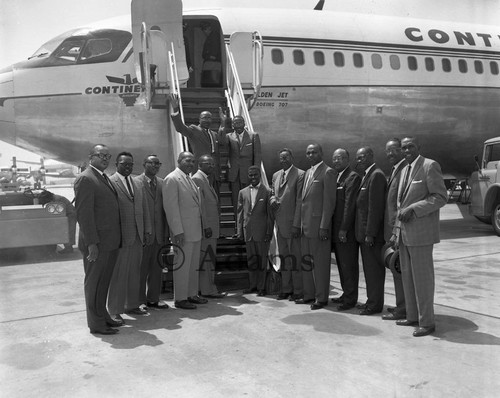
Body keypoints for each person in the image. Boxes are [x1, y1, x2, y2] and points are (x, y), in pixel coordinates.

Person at [394, 136, 447, 337]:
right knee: (408, 278)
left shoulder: (429, 166)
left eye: (410, 147)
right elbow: (401, 204)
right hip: (405, 234)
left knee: (423, 280)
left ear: (419, 147)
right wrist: (396, 231)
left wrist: (414, 209)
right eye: (404, 147)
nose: (406, 150)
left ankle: (427, 322)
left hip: (421, 234)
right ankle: (412, 316)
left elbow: (440, 197)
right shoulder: (404, 169)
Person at [74, 144, 121, 335]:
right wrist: (92, 243)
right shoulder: (85, 178)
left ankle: (103, 316)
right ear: (91, 156)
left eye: (108, 156)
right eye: (101, 155)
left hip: (109, 242)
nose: (105, 159)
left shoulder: (103, 177)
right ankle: (96, 324)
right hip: (97, 244)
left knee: (103, 283)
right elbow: (84, 215)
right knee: (94, 284)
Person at [108, 152, 152, 321]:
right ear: (117, 164)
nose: (128, 167)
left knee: (135, 273)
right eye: (124, 164)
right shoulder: (111, 182)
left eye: (130, 164)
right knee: (119, 275)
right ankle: (114, 309)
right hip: (122, 237)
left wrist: (147, 230)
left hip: (138, 236)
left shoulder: (137, 183)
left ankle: (132, 305)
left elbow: (145, 209)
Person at [163, 152, 209, 309]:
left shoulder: (188, 178)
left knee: (193, 265)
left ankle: (191, 294)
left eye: (193, 161)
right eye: (187, 160)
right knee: (182, 266)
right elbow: (171, 208)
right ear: (179, 161)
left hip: (195, 231)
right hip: (182, 232)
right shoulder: (172, 179)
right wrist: (177, 231)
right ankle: (181, 298)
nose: (191, 163)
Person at [297, 143, 336, 310]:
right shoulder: (307, 173)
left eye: (314, 152)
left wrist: (324, 226)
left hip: (318, 227)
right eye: (308, 153)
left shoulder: (328, 172)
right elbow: (303, 201)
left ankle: (321, 298)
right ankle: (309, 295)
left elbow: (329, 202)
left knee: (320, 265)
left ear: (321, 153)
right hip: (305, 226)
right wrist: (298, 223)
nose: (311, 155)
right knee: (306, 263)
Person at [168, 93, 224, 194]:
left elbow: (221, 145)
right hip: (200, 171)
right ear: (199, 119)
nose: (207, 120)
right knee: (201, 198)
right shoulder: (194, 130)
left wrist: (223, 122)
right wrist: (176, 110)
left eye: (209, 118)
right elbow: (181, 128)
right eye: (204, 118)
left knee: (214, 200)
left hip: (214, 173)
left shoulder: (214, 134)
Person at [134, 155, 170, 310]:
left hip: (159, 234)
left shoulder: (163, 183)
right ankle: (140, 300)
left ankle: (153, 298)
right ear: (144, 164)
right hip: (144, 235)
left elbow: (165, 211)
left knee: (157, 268)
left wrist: (166, 233)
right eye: (151, 163)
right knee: (141, 269)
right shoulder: (136, 183)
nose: (155, 166)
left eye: (158, 163)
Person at [354, 146, 387, 315]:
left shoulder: (376, 175)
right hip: (365, 234)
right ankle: (371, 300)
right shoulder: (367, 175)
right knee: (368, 270)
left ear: (371, 156)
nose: (359, 160)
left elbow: (375, 209)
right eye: (358, 158)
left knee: (374, 271)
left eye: (363, 157)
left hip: (371, 236)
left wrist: (370, 234)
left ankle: (374, 305)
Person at [269, 148, 304, 301]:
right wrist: (272, 200)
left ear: (292, 157)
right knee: (283, 258)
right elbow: (272, 193)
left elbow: (299, 201)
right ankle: (286, 288)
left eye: (286, 157)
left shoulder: (300, 174)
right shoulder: (276, 175)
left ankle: (298, 290)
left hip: (292, 224)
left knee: (295, 259)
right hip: (280, 224)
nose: (283, 160)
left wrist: (297, 224)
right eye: (281, 158)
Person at [330, 148, 362, 311]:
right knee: (342, 266)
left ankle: (350, 300)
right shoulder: (337, 177)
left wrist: (343, 229)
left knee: (348, 266)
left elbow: (350, 206)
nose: (336, 161)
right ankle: (346, 293)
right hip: (336, 231)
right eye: (334, 158)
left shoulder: (352, 177)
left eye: (340, 158)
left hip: (346, 232)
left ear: (347, 159)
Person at [192, 155, 226, 298]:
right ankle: (208, 290)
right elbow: (200, 206)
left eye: (213, 164)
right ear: (200, 164)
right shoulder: (198, 179)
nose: (212, 166)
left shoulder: (205, 179)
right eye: (209, 163)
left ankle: (205, 288)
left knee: (208, 260)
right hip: (207, 229)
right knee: (207, 260)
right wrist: (205, 226)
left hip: (210, 228)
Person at [382, 138, 407, 321]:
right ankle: (402, 306)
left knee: (401, 271)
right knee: (397, 271)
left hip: (399, 233)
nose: (390, 154)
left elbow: (401, 204)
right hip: (393, 232)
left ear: (401, 150)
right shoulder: (396, 169)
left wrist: (395, 232)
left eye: (393, 150)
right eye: (387, 151)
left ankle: (405, 309)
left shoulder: (405, 170)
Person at [237, 166, 273, 296]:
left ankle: (262, 287)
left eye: (255, 175)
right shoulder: (242, 192)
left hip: (262, 232)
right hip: (249, 232)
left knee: (262, 261)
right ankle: (253, 285)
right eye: (250, 175)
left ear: (259, 176)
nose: (253, 177)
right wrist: (240, 231)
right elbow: (240, 213)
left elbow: (270, 215)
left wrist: (269, 231)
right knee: (251, 261)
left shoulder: (267, 191)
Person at [226, 115, 262, 223]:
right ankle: (238, 229)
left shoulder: (253, 136)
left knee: (249, 202)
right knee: (237, 203)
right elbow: (223, 145)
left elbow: (257, 155)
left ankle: (249, 228)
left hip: (248, 175)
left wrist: (256, 174)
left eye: (240, 122)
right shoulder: (229, 137)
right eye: (235, 123)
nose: (237, 125)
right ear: (232, 125)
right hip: (234, 175)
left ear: (244, 123)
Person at [200, 21, 222, 87]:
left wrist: (210, 56)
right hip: (212, 63)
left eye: (205, 29)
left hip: (212, 64)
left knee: (210, 83)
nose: (204, 32)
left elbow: (214, 51)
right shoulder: (212, 36)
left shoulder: (214, 36)